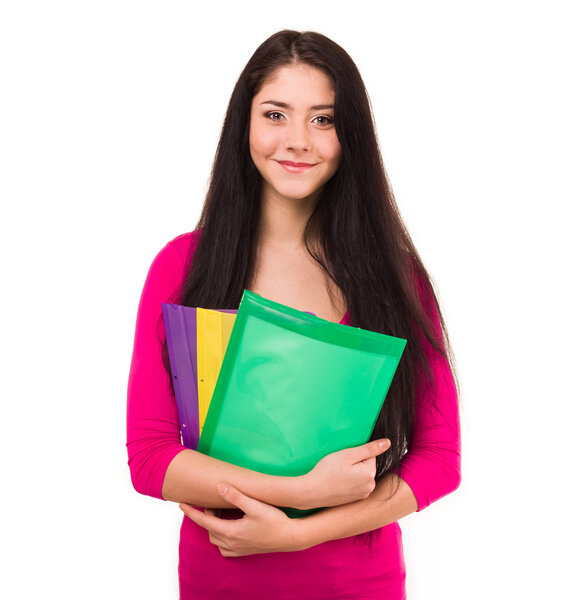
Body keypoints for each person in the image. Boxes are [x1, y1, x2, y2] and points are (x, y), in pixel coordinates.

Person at [127, 30, 461, 599]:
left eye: (323, 120)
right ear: (245, 125)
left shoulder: (396, 277)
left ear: (349, 135)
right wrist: (299, 492)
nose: (298, 141)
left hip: (358, 582)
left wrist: (300, 533)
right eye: (276, 114)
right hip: (220, 580)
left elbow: (440, 459)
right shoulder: (183, 265)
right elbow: (151, 456)